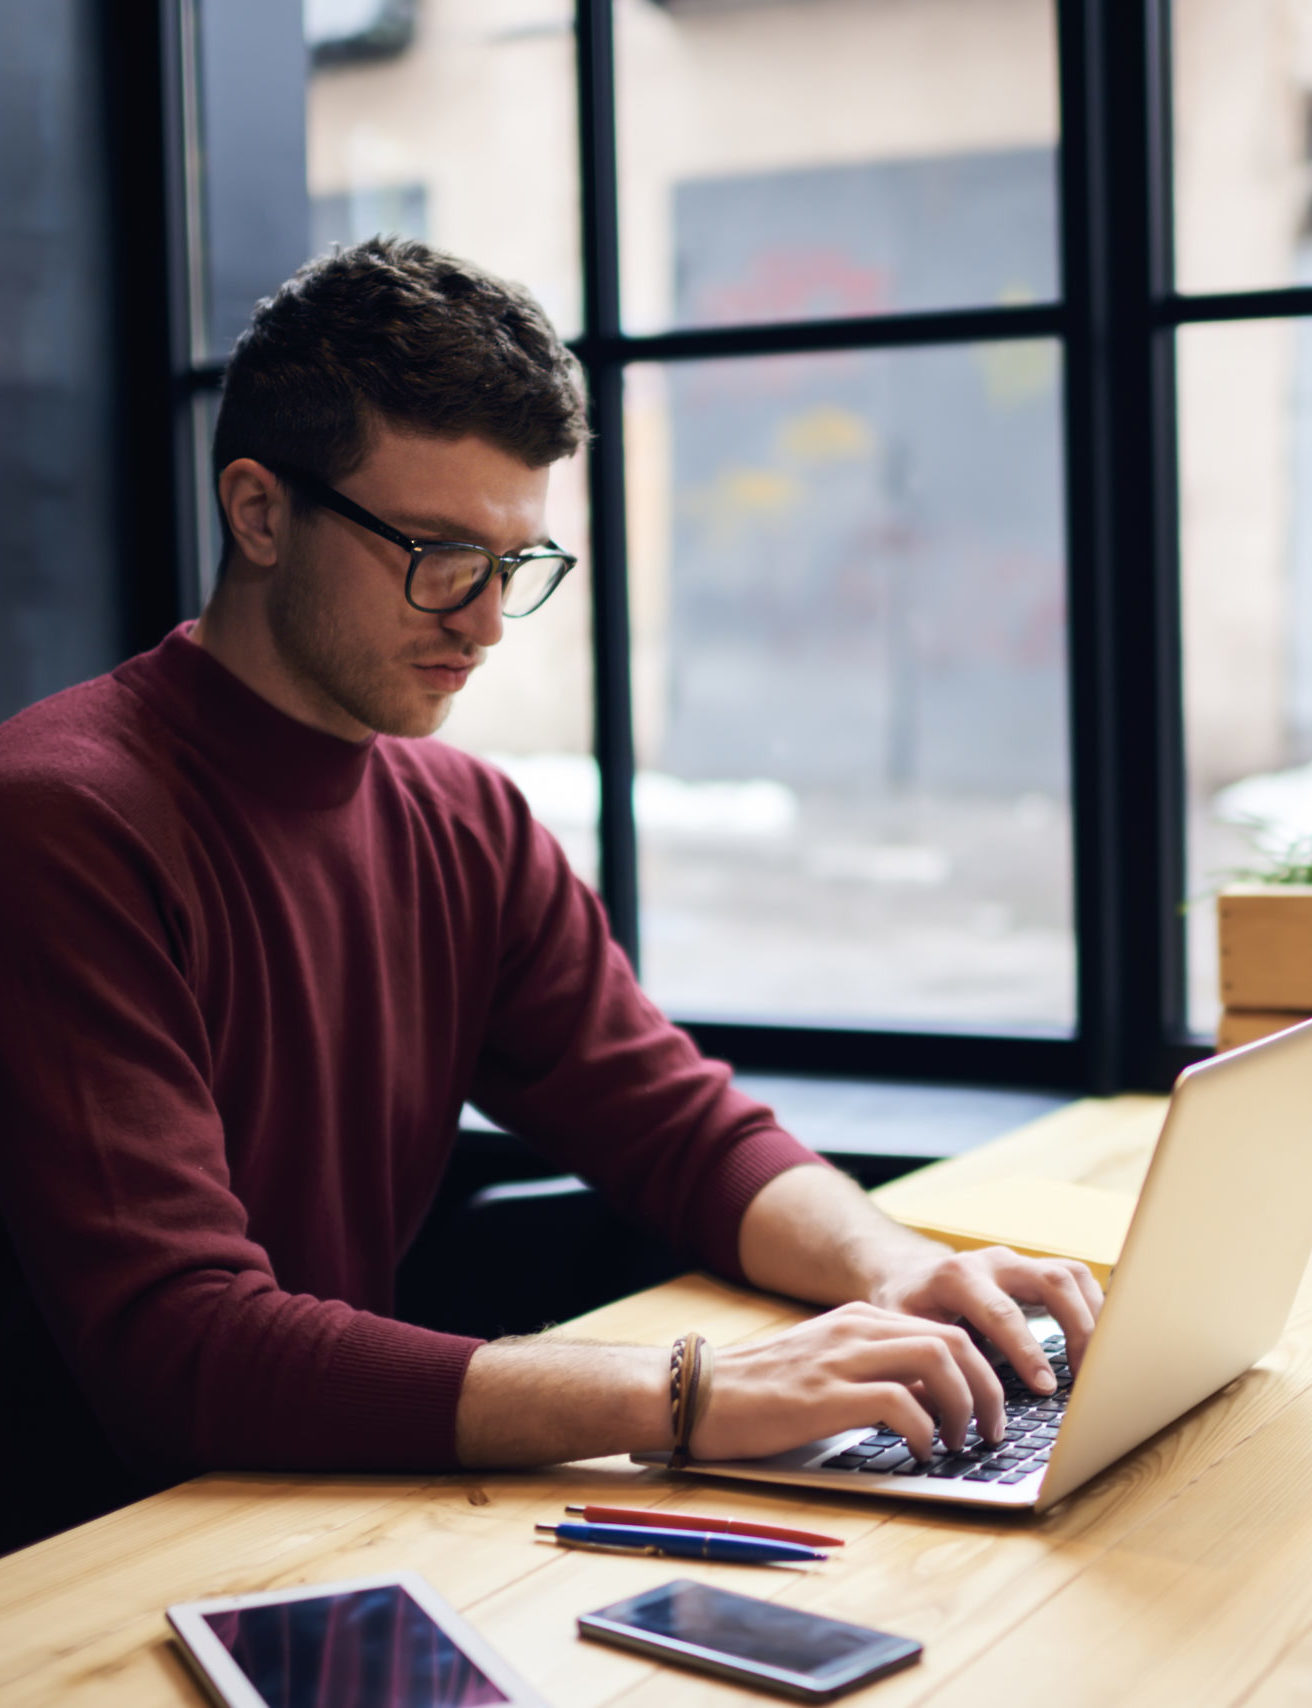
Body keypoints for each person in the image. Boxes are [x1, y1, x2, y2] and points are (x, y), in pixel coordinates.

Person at [0, 238, 1100, 1552]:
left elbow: (671, 1124)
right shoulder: (61, 818)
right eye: (437, 553)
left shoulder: (462, 818)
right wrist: (686, 1394)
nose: (482, 623)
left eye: (514, 564)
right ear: (258, 512)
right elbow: (182, 1352)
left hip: (306, 1514)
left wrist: (897, 1266)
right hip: (83, 1569)